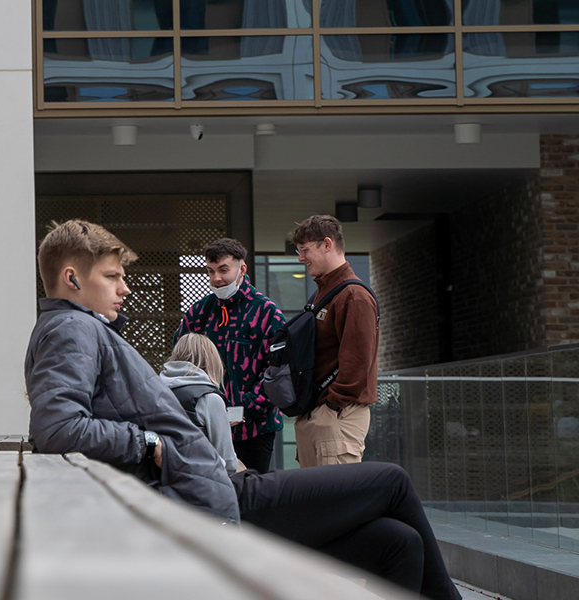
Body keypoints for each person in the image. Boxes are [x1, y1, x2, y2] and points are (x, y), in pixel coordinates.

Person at [25, 219, 458, 599]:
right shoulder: (71, 328)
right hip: (212, 502)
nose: (125, 287)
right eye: (112, 276)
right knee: (391, 481)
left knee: (399, 543)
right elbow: (58, 427)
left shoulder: (75, 329)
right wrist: (148, 440)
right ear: (73, 278)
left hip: (210, 487)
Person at [174, 238, 285, 472]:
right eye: (211, 271)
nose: (216, 278)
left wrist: (243, 408)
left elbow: (277, 371)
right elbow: (180, 361)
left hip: (254, 430)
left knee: (251, 498)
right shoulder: (198, 313)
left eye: (223, 270)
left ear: (242, 268)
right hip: (204, 427)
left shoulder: (267, 313)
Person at [292, 215, 379, 467]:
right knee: (315, 503)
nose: (301, 258)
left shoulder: (355, 296)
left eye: (304, 250)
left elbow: (358, 363)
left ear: (327, 244)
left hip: (338, 414)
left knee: (336, 503)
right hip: (320, 413)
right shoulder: (325, 293)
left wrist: (331, 406)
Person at [162, 334, 238, 477]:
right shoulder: (209, 398)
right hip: (201, 480)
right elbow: (228, 464)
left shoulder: (155, 390)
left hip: (161, 479)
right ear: (212, 361)